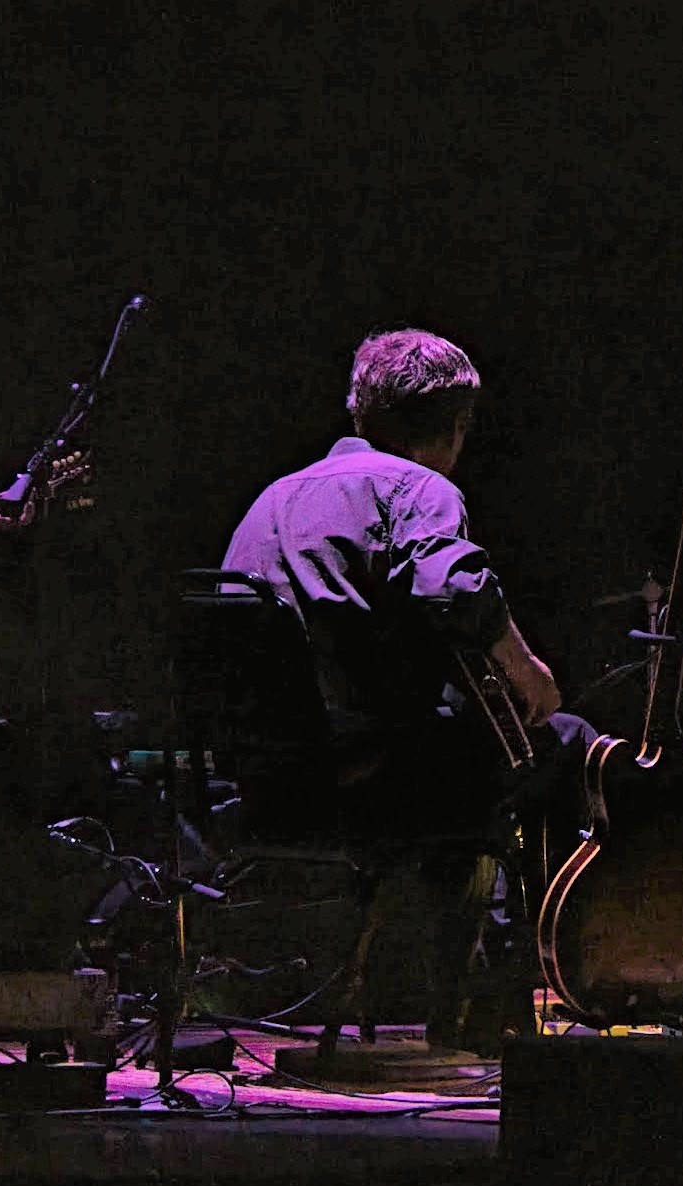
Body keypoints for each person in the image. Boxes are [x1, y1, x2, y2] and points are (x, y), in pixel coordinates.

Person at [219, 328, 589, 1048]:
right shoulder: (420, 487)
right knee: (560, 747)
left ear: (361, 414)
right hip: (365, 779)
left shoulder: (271, 500)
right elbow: (450, 584)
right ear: (456, 429)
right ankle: (495, 1005)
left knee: (463, 764)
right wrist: (530, 672)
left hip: (265, 780)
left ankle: (417, 984)